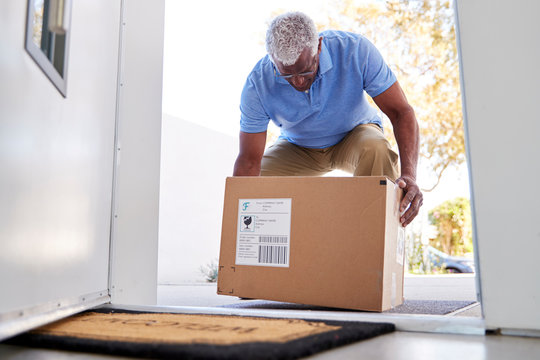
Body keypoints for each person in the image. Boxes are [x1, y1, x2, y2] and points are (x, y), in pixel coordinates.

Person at [233, 11, 422, 226]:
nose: (298, 82)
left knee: (376, 149)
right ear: (273, 60)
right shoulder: (257, 84)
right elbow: (248, 161)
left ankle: (374, 245)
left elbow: (401, 112)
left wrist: (410, 175)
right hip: (298, 147)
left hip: (354, 133)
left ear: (319, 46)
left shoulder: (355, 51)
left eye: (306, 70)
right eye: (287, 75)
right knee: (255, 185)